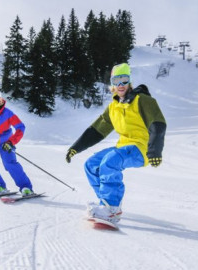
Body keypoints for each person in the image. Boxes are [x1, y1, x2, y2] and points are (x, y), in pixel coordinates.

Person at [65, 63, 167, 224]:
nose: (120, 85)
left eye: (124, 80)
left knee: (110, 161)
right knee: (91, 164)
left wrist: (155, 150)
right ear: (112, 84)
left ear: (130, 81)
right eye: (116, 81)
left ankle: (111, 209)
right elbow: (97, 129)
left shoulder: (142, 100)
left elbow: (158, 124)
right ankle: (105, 204)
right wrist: (76, 147)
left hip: (141, 148)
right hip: (123, 148)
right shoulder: (114, 107)